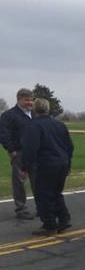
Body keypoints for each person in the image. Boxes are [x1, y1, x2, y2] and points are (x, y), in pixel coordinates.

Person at [20, 98, 73, 235]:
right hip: (62, 163)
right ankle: (63, 219)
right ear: (48, 109)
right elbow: (70, 146)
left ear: (35, 110)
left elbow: (30, 149)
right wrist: (68, 163)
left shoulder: (33, 126)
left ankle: (49, 224)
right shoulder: (60, 125)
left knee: (43, 195)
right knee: (56, 192)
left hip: (46, 164)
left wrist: (24, 167)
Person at [0, 88, 37, 220]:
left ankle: (41, 206)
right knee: (19, 182)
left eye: (31, 100)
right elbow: (4, 135)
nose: (30, 102)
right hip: (19, 153)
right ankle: (21, 209)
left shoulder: (35, 114)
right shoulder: (8, 116)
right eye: (27, 100)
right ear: (19, 99)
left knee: (37, 180)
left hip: (36, 153)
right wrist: (12, 151)